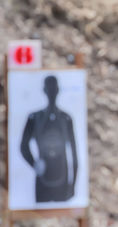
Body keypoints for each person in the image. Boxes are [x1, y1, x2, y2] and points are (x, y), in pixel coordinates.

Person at [20, 75, 78, 203]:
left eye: (54, 88)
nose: (52, 92)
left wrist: (73, 184)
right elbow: (23, 145)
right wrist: (34, 163)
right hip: (43, 178)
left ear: (57, 90)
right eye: (49, 88)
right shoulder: (34, 117)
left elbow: (74, 154)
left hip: (62, 177)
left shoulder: (65, 118)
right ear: (45, 90)